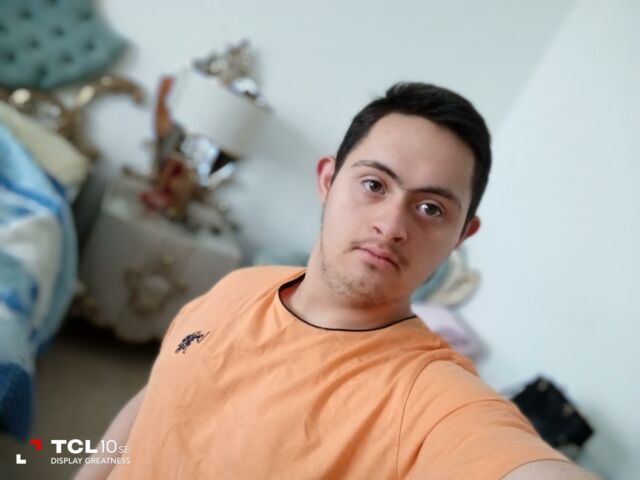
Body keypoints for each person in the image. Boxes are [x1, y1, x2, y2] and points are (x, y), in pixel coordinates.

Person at [76, 83, 597, 479]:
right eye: (374, 184)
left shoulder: (430, 396)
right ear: (327, 179)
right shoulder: (240, 285)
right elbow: (154, 402)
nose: (391, 226)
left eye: (430, 209)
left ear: (462, 235)